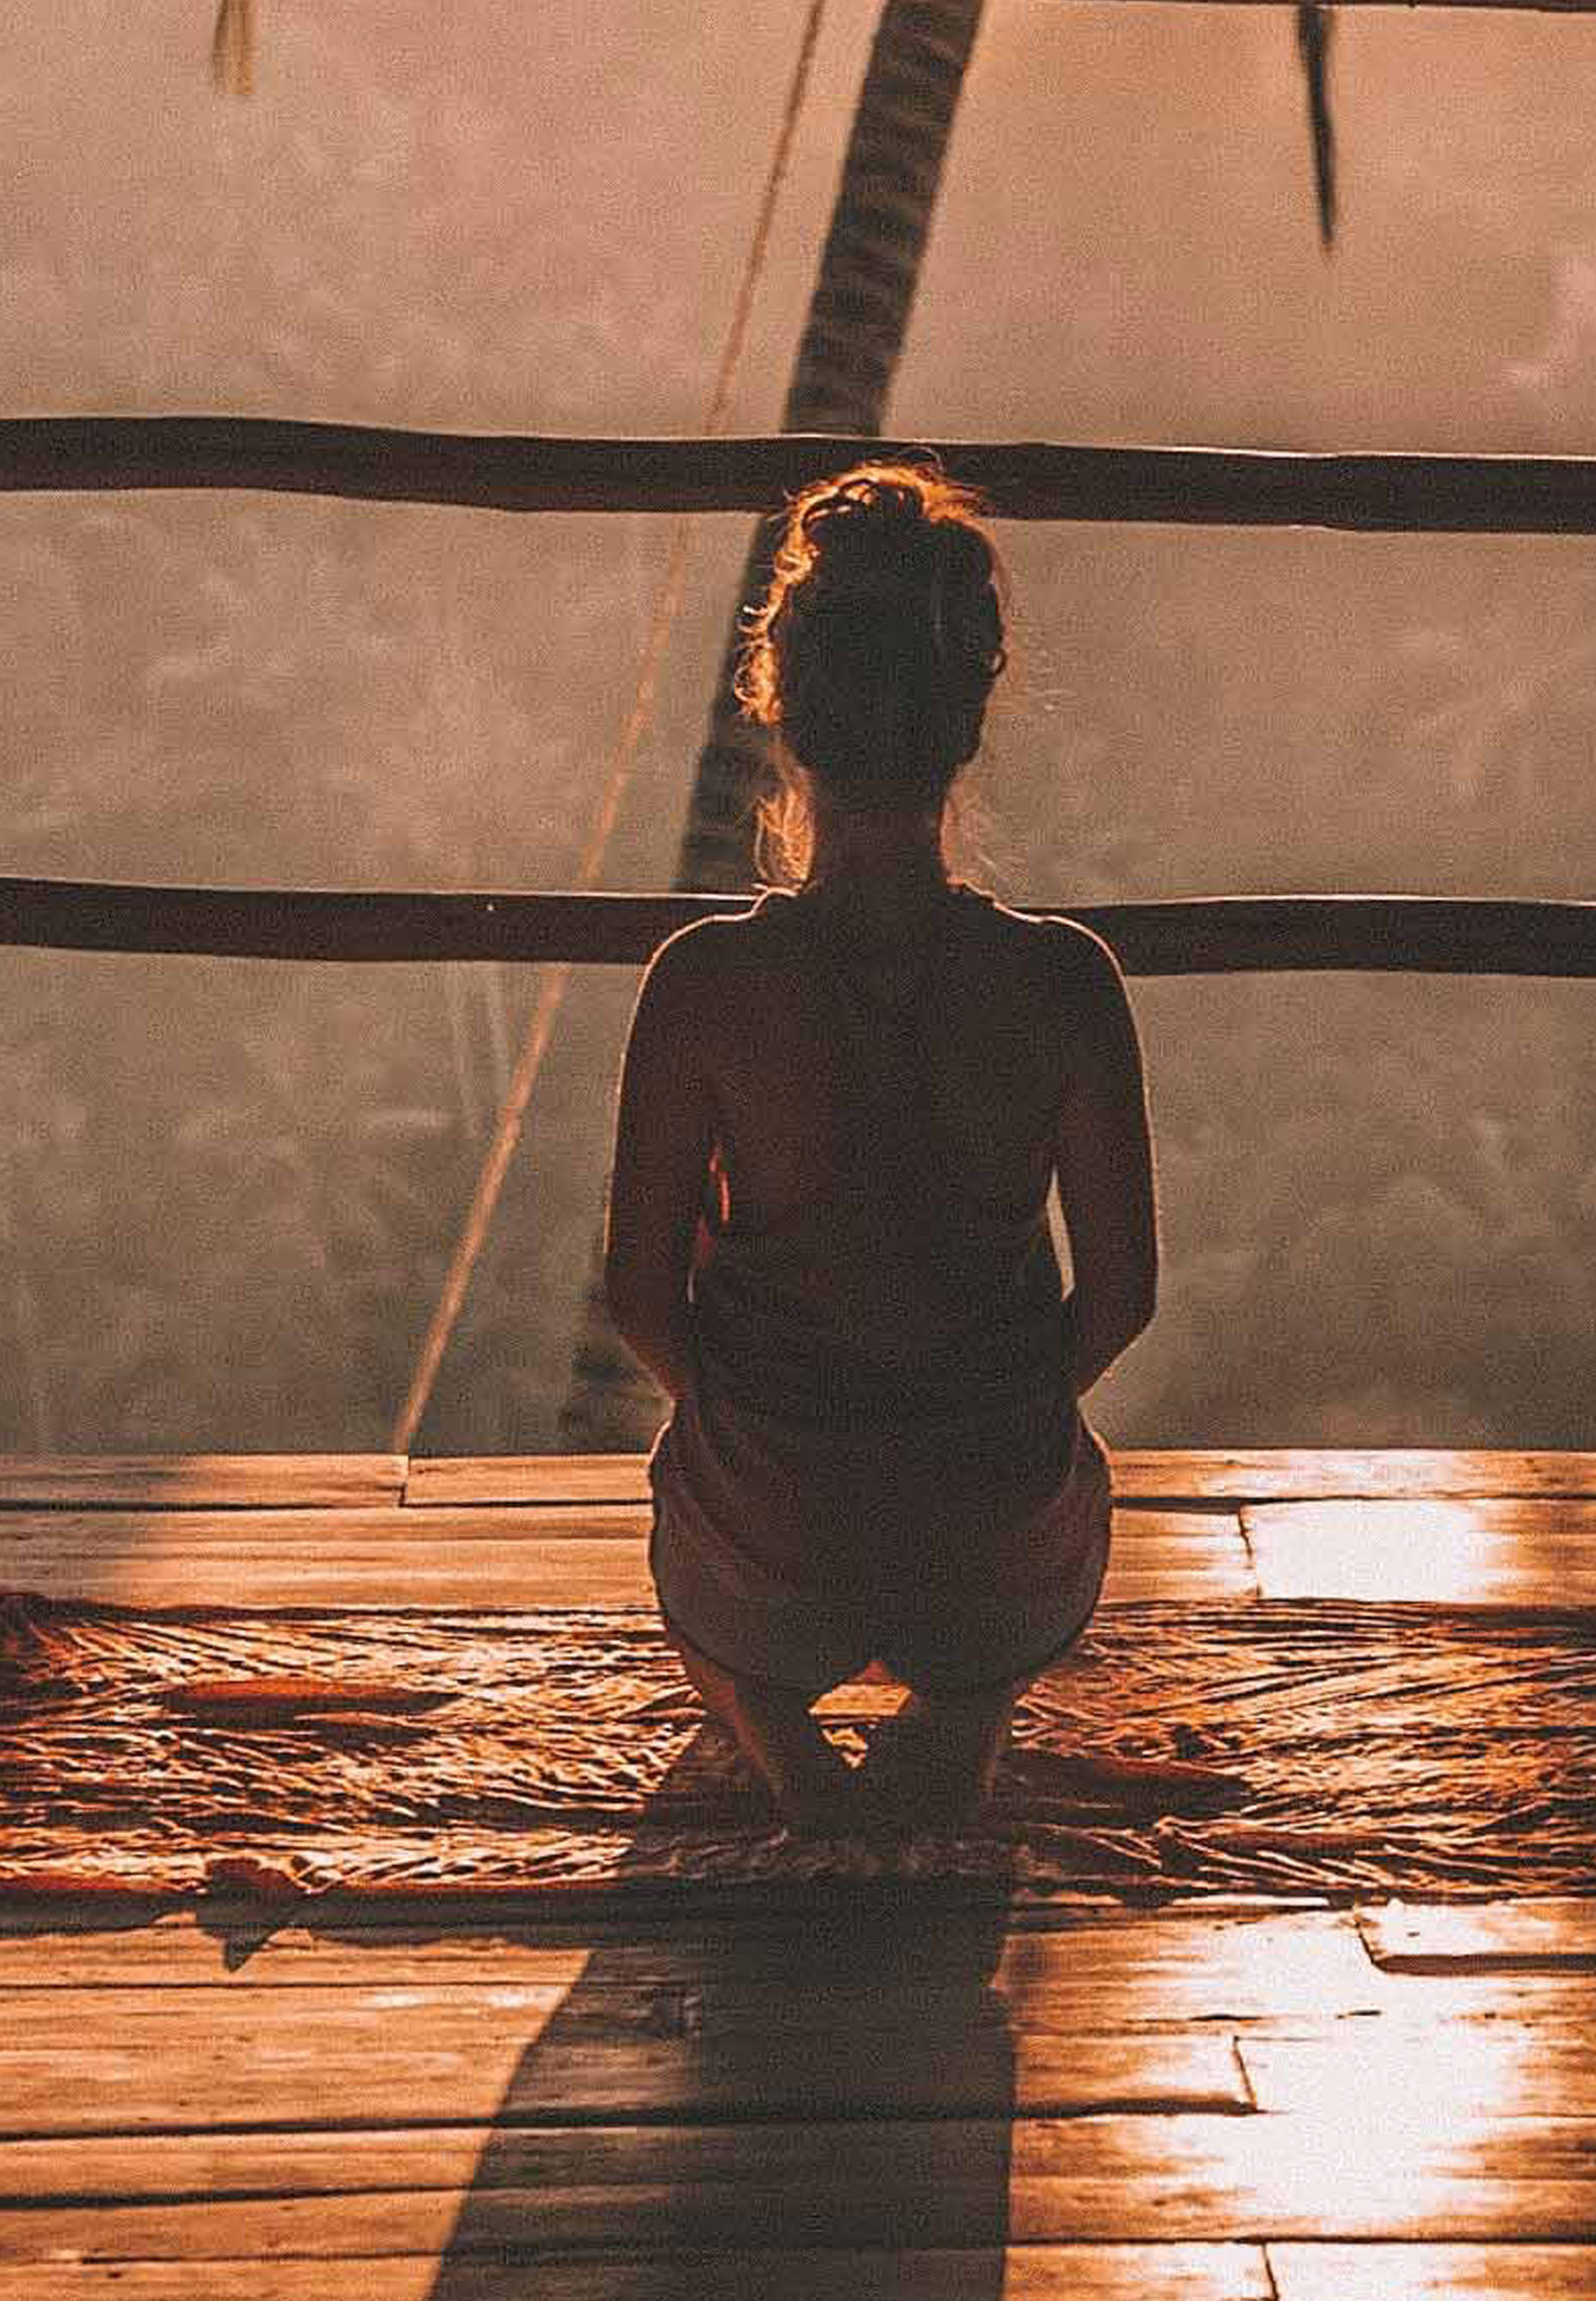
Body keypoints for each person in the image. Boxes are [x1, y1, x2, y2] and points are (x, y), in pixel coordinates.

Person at [600, 461, 1158, 1836]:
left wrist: (761, 1423)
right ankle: (969, 1705)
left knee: (706, 1559)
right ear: (968, 717)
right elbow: (1125, 1295)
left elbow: (638, 1296)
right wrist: (988, 1411)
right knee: (1046, 1502)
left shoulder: (705, 986)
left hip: (773, 1534)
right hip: (991, 1543)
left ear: (780, 710)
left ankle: (780, 1739)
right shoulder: (1065, 983)